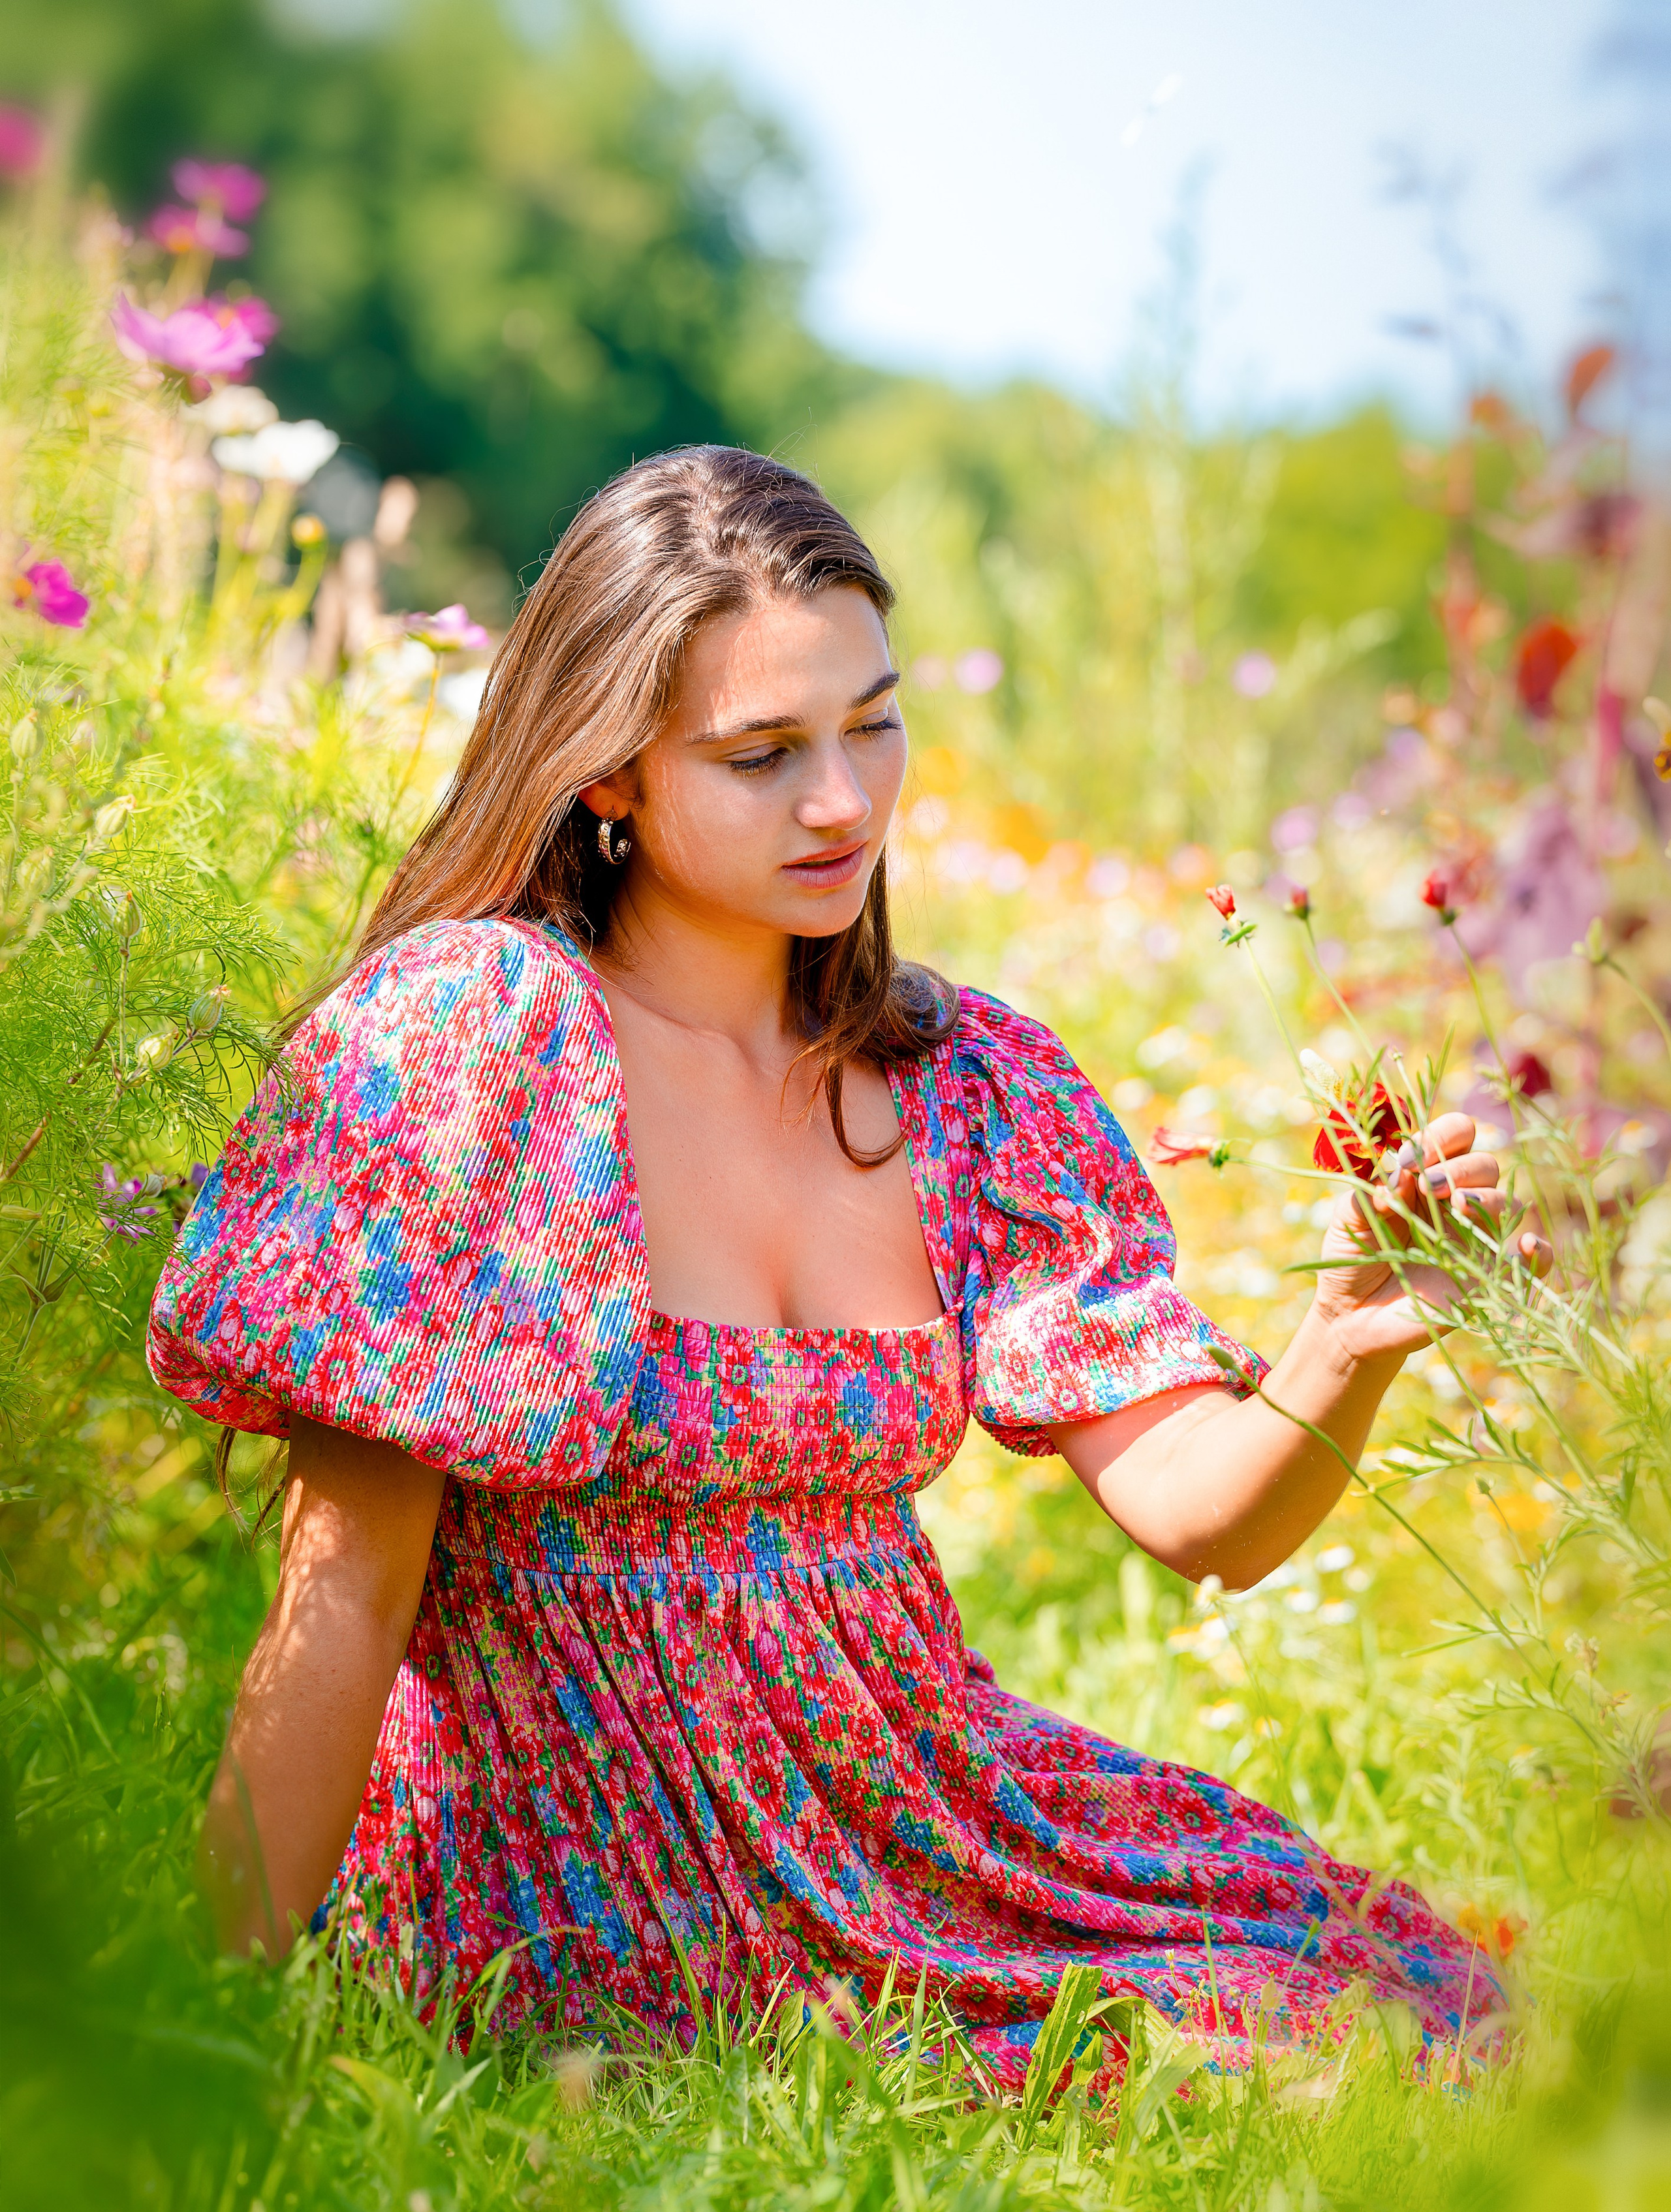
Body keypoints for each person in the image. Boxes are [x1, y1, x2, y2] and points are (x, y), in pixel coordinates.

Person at [150, 446, 1545, 2087]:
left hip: (930, 1825)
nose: (841, 802)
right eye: (761, 754)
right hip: (591, 1873)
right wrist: (199, 2029)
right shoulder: (480, 1039)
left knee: (1403, 2013)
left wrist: (1342, 1337)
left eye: (871, 724)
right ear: (607, 772)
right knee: (1232, 2076)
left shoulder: (962, 1082)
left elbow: (1200, 1516)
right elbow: (346, 1592)